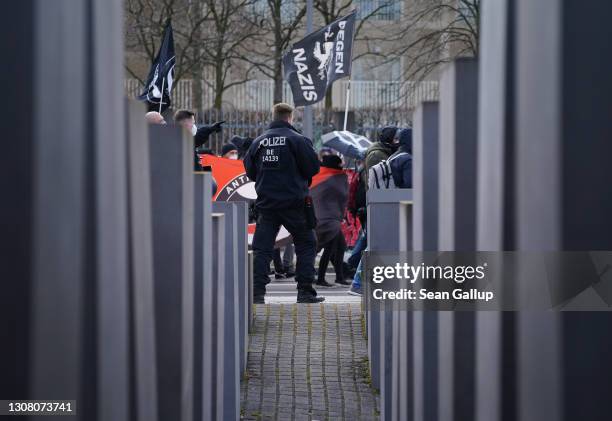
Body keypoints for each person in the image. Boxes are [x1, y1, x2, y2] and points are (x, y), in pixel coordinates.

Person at [244, 103, 322, 304]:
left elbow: (250, 172)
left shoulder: (258, 142)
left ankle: (257, 293)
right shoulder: (297, 140)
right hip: (294, 203)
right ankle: (305, 291)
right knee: (306, 244)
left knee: (262, 248)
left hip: (267, 204)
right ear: (290, 118)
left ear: (274, 116)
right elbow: (313, 168)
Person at [311, 155, 350, 287]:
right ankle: (321, 278)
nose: (342, 166)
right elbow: (343, 194)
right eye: (340, 164)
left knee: (340, 246)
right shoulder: (334, 178)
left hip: (323, 218)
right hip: (328, 220)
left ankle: (339, 276)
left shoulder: (318, 175)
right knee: (329, 249)